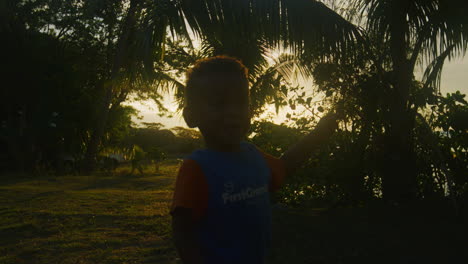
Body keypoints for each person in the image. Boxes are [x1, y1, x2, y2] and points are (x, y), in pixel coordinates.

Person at [171, 56, 338, 264]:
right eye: (218, 103)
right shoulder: (197, 168)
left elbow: (284, 167)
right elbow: (182, 232)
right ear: (191, 116)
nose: (233, 112)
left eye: (241, 102)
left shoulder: (254, 155)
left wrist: (318, 135)